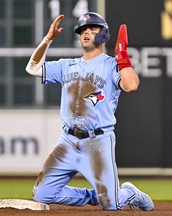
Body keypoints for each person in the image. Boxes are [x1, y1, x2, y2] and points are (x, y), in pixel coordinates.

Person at [25, 12, 154, 211]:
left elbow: (131, 85)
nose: (86, 32)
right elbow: (33, 68)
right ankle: (96, 196)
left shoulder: (111, 65)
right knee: (42, 194)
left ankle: (128, 193)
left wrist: (122, 56)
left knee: (112, 205)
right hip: (68, 141)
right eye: (83, 30)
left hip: (97, 142)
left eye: (93, 29)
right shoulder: (67, 65)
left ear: (103, 35)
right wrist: (47, 39)